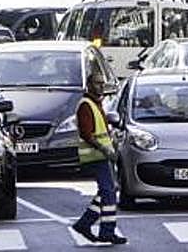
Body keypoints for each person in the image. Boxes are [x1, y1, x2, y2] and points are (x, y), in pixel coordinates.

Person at [71, 68, 127, 245]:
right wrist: (105, 149)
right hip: (96, 156)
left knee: (108, 191)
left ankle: (85, 224)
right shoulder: (86, 105)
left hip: (101, 156)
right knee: (109, 192)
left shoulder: (96, 103)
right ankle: (106, 231)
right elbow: (87, 134)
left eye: (103, 83)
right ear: (89, 85)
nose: (101, 86)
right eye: (97, 83)